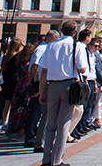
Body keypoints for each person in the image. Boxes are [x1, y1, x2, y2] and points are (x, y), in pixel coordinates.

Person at [39, 20, 88, 166]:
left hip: (52, 85)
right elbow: (83, 69)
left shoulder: (52, 45)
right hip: (68, 85)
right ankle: (57, 160)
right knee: (64, 123)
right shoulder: (76, 45)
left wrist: (42, 91)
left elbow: (43, 69)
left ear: (61, 31)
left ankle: (46, 159)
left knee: (50, 123)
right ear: (75, 33)